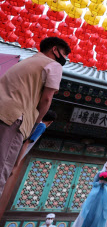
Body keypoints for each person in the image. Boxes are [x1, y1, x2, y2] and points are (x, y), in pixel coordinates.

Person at [0, 37, 70, 196]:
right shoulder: (54, 65)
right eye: (64, 54)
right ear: (54, 50)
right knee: (2, 166)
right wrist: (34, 124)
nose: (64, 59)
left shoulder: (25, 62)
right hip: (14, 118)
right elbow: (46, 99)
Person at [71, 160, 107, 227]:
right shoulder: (99, 173)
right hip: (96, 195)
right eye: (106, 167)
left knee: (101, 213)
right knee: (90, 211)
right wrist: (100, 182)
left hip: (106, 196)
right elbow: (94, 184)